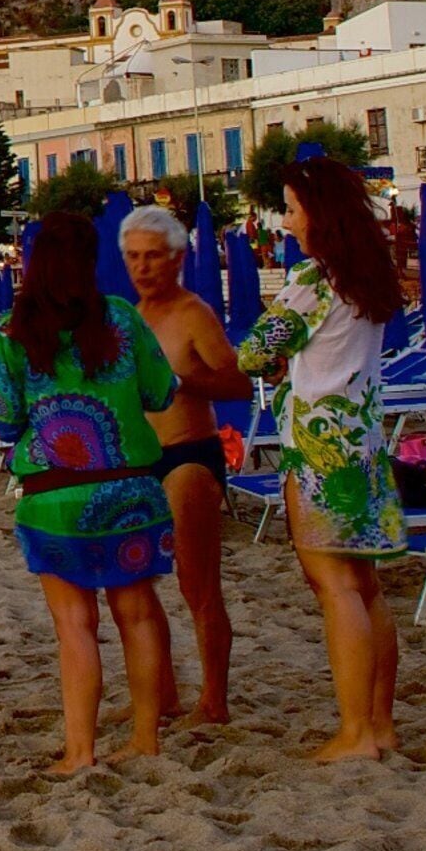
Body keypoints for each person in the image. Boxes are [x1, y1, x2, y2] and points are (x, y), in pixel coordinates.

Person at [0, 210, 179, 774]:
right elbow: (162, 394)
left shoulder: (9, 332)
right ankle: (145, 739)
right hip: (132, 493)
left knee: (75, 627)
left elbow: (2, 421)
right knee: (137, 615)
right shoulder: (121, 318)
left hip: (56, 496)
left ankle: (80, 751)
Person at [237, 151, 407, 764]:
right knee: (364, 587)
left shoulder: (312, 283)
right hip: (363, 443)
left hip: (317, 449)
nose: (286, 222)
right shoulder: (367, 278)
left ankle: (355, 731)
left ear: (318, 214)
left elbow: (254, 353)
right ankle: (380, 724)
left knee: (335, 588)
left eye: (290, 209)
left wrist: (271, 349)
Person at [121, 204, 250, 724]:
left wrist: (181, 383)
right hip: (141, 460)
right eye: (133, 257)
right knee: (137, 584)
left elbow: (238, 383)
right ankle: (165, 694)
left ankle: (213, 701)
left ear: (175, 259)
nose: (143, 267)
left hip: (189, 452)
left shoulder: (192, 314)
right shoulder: (130, 316)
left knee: (197, 583)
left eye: (153, 256)